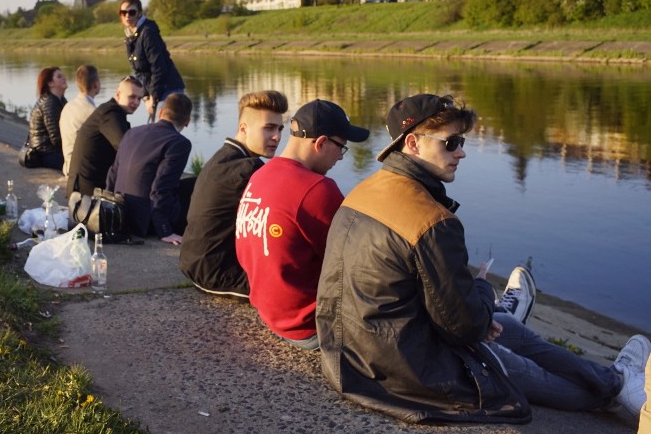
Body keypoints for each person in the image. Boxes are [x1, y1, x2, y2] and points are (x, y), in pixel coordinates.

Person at [315, 93, 649, 424]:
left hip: (350, 353)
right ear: (413, 143)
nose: (461, 152)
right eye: (452, 142)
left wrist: (476, 311)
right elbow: (465, 327)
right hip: (400, 370)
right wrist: (482, 290)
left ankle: (615, 378)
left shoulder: (367, 189)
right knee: (519, 371)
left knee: (510, 328)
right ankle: (614, 393)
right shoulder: (430, 220)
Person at [235, 99, 369, 350]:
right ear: (320, 143)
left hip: (271, 314)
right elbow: (357, 264)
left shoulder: (260, 175)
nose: (340, 157)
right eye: (341, 147)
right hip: (309, 327)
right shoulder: (316, 189)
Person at [179, 90, 289, 300]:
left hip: (195, 263)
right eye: (269, 128)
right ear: (243, 128)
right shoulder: (247, 169)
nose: (277, 136)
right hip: (218, 274)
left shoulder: (223, 156)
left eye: (279, 128)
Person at [106, 93, 193, 245]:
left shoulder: (132, 132)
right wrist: (165, 230)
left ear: (160, 113)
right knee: (195, 185)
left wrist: (106, 208)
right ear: (187, 121)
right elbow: (160, 187)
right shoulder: (179, 143)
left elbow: (113, 173)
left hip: (120, 213)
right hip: (144, 222)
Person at [66, 75, 144, 198]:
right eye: (132, 97)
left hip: (87, 184)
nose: (136, 102)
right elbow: (126, 147)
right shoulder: (110, 114)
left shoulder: (112, 112)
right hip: (85, 192)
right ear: (118, 94)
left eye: (140, 98)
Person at [120, 0, 184, 122]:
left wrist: (153, 98)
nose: (127, 16)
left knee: (163, 134)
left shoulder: (148, 32)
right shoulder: (129, 35)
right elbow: (139, 72)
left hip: (169, 89)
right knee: (155, 133)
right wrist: (145, 97)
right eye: (123, 12)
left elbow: (158, 68)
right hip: (153, 91)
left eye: (131, 12)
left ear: (139, 13)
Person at [59, 64, 100, 176]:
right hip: (82, 170)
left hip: (68, 165)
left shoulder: (68, 107)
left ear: (78, 84)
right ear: (96, 83)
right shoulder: (92, 112)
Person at [26, 66, 68, 171]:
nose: (64, 78)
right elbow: (56, 138)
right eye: (59, 77)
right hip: (45, 153)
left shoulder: (60, 100)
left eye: (63, 76)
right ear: (50, 83)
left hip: (51, 150)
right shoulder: (49, 103)